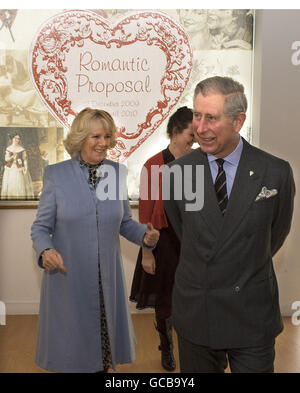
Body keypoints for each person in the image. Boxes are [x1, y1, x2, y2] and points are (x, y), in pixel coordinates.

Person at [163, 76, 295, 373]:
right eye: (197, 115)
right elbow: (186, 233)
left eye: (211, 118)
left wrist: (239, 259)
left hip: (251, 310)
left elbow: (276, 233)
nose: (200, 127)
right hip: (197, 310)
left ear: (238, 121)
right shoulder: (175, 174)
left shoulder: (275, 173)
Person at [31, 107, 159, 373]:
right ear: (80, 139)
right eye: (95, 137)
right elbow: (41, 228)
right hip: (68, 281)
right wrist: (45, 250)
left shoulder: (116, 173)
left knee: (102, 357)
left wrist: (146, 238)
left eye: (107, 137)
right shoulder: (57, 175)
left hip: (106, 283)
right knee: (72, 355)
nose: (103, 143)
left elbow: (123, 224)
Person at [130, 106, 194, 371]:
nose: (196, 139)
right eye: (192, 134)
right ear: (176, 132)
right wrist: (147, 252)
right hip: (164, 242)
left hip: (192, 241)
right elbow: (146, 213)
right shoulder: (152, 165)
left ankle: (196, 351)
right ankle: (166, 349)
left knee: (194, 298)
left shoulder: (200, 162)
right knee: (165, 299)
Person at [1, 132, 34, 199]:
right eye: (16, 138)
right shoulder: (8, 148)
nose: (17, 140)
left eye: (18, 139)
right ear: (12, 139)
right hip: (10, 169)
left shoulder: (22, 149)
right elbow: (6, 159)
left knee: (19, 183)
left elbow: (25, 159)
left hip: (19, 169)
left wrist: (26, 168)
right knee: (11, 184)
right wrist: (12, 157)